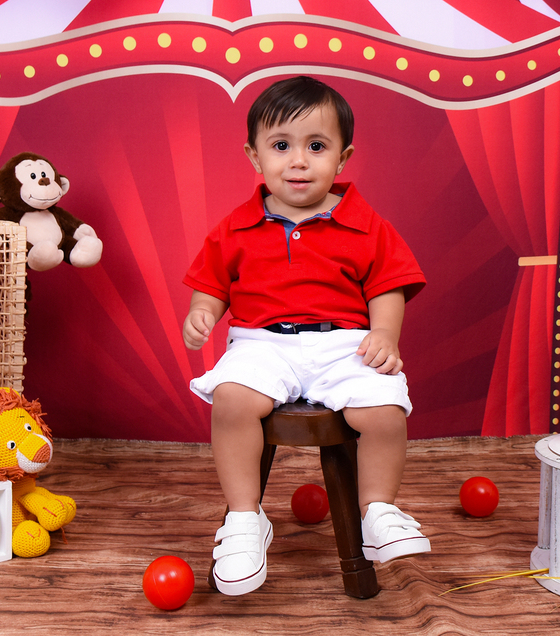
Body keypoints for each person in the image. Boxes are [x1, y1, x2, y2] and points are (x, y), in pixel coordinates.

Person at [181, 76, 429, 596]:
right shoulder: (235, 227)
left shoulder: (367, 225)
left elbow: (387, 285)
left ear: (342, 158)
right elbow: (212, 285)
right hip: (261, 342)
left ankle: (378, 510)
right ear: (254, 156)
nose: (298, 161)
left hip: (344, 344)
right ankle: (245, 519)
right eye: (281, 146)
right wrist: (202, 312)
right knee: (231, 400)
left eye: (316, 146)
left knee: (384, 410)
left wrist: (385, 333)